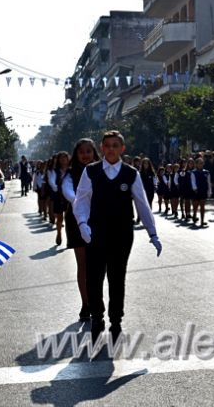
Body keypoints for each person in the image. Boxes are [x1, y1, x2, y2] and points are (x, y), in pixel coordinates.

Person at [73, 131, 162, 342]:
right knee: (94, 277)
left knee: (117, 277)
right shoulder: (91, 171)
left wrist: (153, 232)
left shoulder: (131, 173)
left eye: (115, 145)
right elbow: (82, 200)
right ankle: (97, 317)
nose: (111, 149)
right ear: (102, 148)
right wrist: (82, 223)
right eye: (107, 145)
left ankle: (116, 319)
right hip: (95, 232)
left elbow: (142, 203)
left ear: (122, 149)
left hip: (122, 233)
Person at [62, 139, 100, 323]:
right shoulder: (70, 174)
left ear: (94, 153)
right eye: (81, 152)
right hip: (77, 221)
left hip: (100, 221)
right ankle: (86, 304)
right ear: (76, 155)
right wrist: (80, 203)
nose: (85, 155)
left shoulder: (103, 171)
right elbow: (68, 192)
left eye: (89, 151)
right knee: (83, 265)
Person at [48, 151, 70, 246]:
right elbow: (52, 182)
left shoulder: (71, 170)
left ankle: (69, 237)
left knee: (69, 218)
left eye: (65, 157)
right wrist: (60, 189)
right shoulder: (54, 171)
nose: (63, 159)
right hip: (59, 196)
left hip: (70, 197)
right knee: (60, 217)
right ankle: (59, 233)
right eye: (61, 158)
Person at [191, 157, 211, 227]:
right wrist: (195, 189)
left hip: (203, 191)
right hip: (196, 191)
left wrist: (209, 191)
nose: (201, 165)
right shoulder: (193, 172)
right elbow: (193, 181)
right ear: (196, 164)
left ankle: (202, 221)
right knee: (195, 206)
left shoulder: (207, 172)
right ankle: (194, 215)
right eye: (199, 163)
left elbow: (208, 182)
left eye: (202, 163)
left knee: (202, 206)